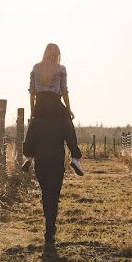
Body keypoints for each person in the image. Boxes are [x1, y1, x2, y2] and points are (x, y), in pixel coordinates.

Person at [22, 43, 84, 244]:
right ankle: (75, 156)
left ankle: (29, 156)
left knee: (33, 129)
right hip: (56, 106)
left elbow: (31, 92)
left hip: (40, 106)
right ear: (57, 55)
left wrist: (33, 113)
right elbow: (64, 91)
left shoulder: (35, 68)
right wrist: (69, 109)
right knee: (68, 125)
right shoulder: (61, 69)